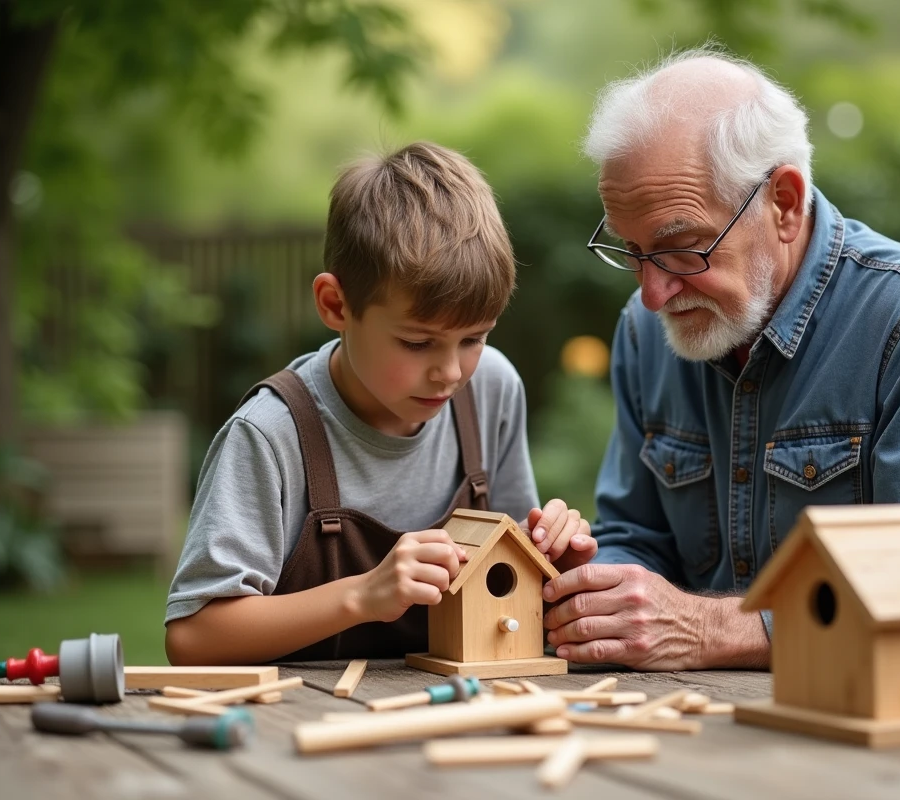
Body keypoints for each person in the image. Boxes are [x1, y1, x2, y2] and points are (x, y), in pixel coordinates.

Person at [540, 50, 900, 699]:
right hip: (747, 717)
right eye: (632, 250)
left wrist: (710, 630)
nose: (652, 293)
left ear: (784, 203)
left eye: (681, 248)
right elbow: (637, 535)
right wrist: (595, 590)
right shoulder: (648, 333)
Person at [164, 142, 597, 665]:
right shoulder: (271, 434)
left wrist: (557, 570)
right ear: (335, 305)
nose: (451, 372)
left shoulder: (492, 390)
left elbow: (509, 606)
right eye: (417, 343)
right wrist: (363, 595)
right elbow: (193, 638)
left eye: (474, 338)